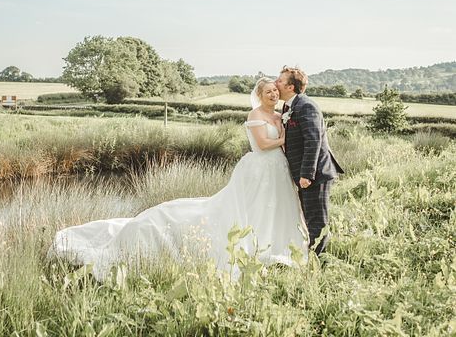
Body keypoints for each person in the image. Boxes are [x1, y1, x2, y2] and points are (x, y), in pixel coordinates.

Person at [49, 78, 308, 280]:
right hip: (258, 169)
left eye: (275, 91)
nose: (273, 94)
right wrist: (286, 138)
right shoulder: (255, 115)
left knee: (270, 209)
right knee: (246, 208)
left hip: (277, 169)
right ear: (259, 95)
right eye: (268, 92)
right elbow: (262, 144)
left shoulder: (279, 116)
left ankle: (273, 247)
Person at [275, 66, 344, 255]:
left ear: (290, 87)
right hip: (304, 175)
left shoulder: (306, 106)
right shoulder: (288, 106)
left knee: (317, 223)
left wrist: (307, 174)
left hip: (315, 174)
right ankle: (311, 259)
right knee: (308, 219)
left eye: (279, 81)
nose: (275, 84)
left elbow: (313, 141)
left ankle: (318, 263)